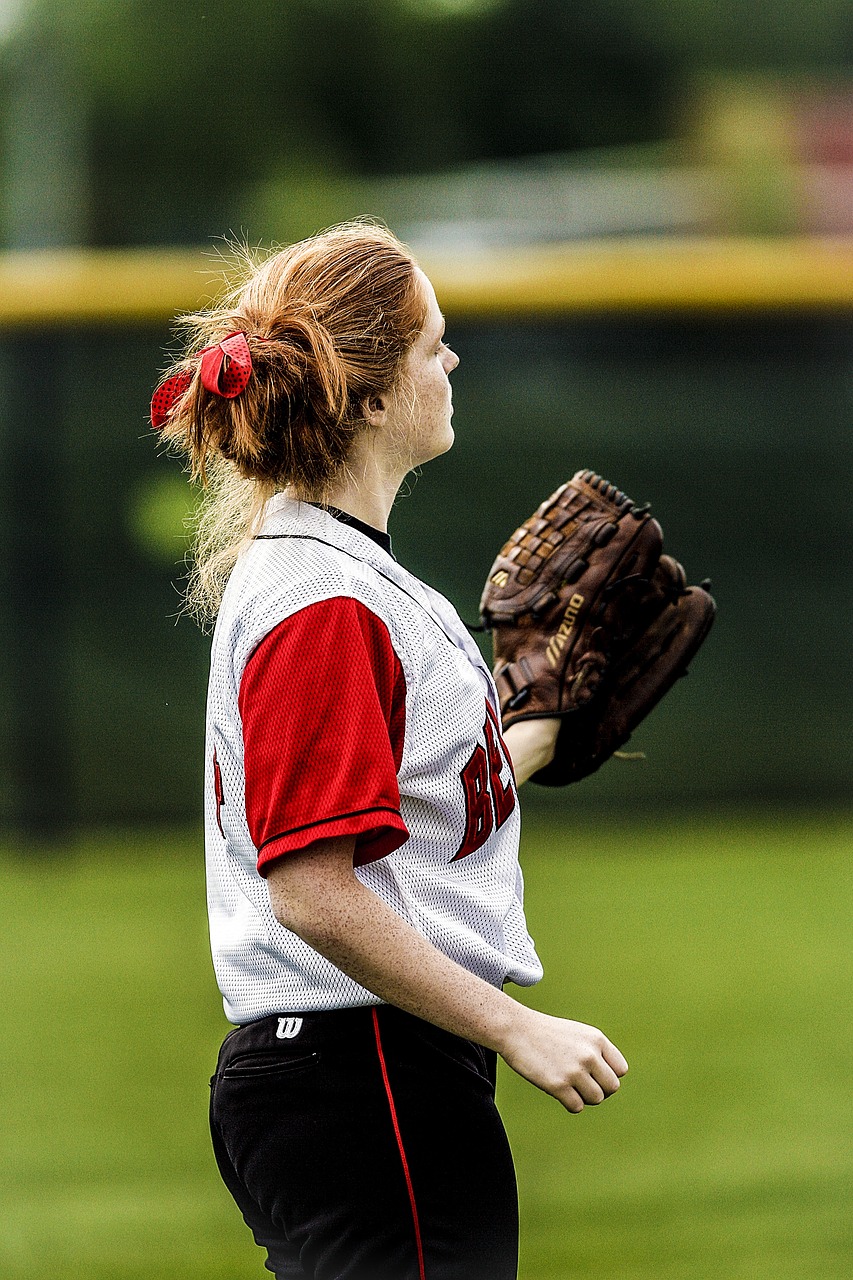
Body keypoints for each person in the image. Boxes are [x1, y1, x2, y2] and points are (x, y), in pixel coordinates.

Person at [152, 221, 628, 1280]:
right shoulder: (324, 599)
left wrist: (536, 727)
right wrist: (515, 1024)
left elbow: (406, 808)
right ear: (368, 396)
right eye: (431, 344)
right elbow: (314, 889)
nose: (450, 363)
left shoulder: (344, 577)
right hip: (361, 1068)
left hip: (363, 1069)